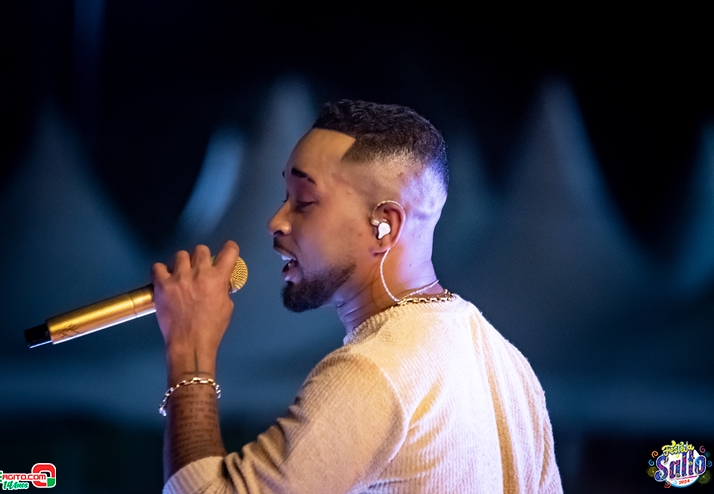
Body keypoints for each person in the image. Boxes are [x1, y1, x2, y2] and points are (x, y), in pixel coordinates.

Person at [152, 100, 563, 493]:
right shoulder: (510, 368)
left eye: (304, 201)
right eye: (285, 198)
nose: (276, 221)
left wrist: (190, 344)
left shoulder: (375, 369)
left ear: (384, 225)